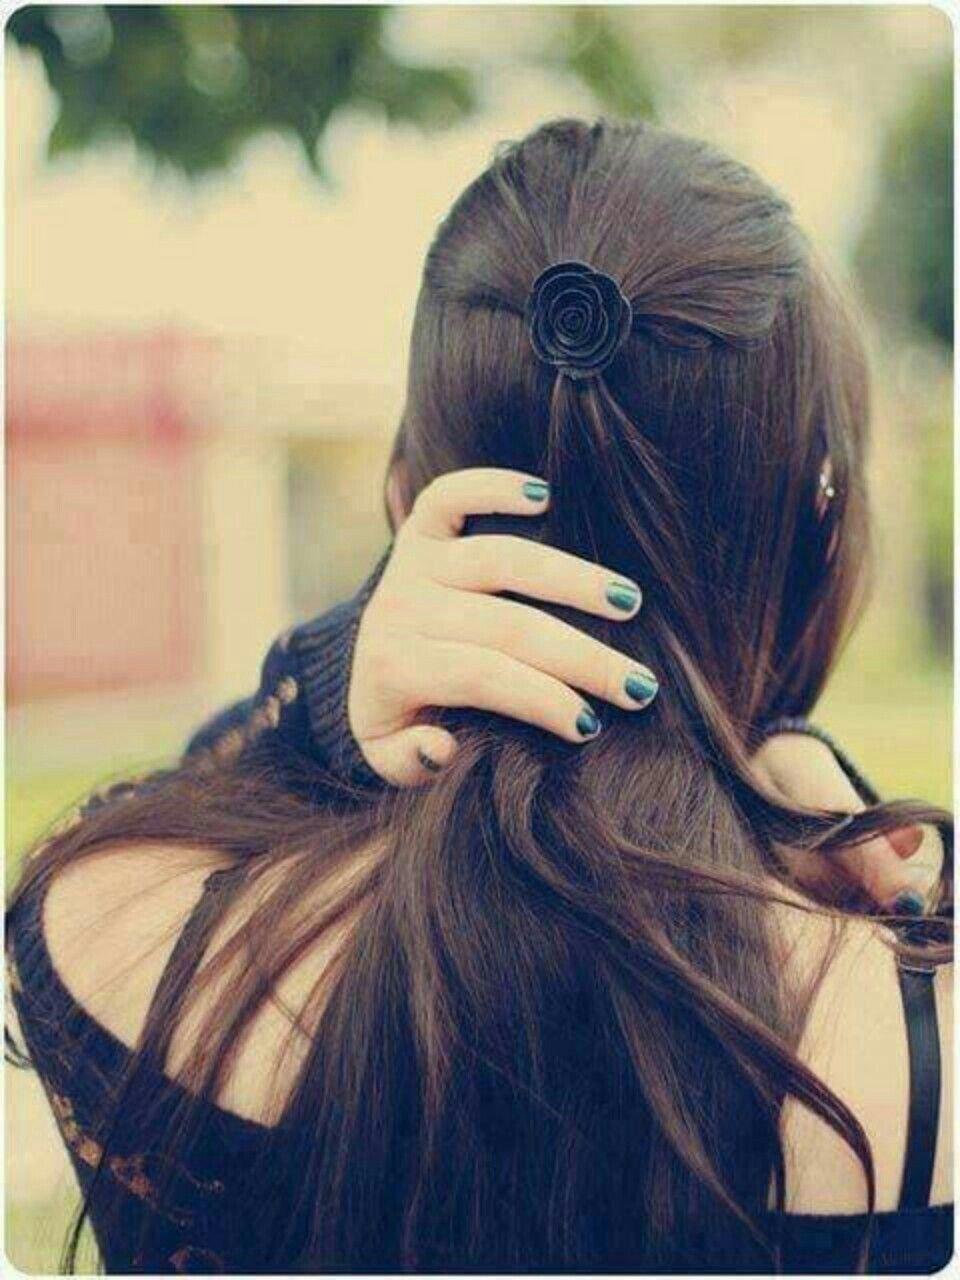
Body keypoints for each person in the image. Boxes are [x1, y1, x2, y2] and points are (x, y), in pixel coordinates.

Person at [7, 118, 952, 1274]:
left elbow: (141, 818)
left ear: (412, 493)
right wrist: (821, 795)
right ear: (813, 524)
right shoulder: (919, 1046)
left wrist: (316, 694)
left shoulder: (118, 925)